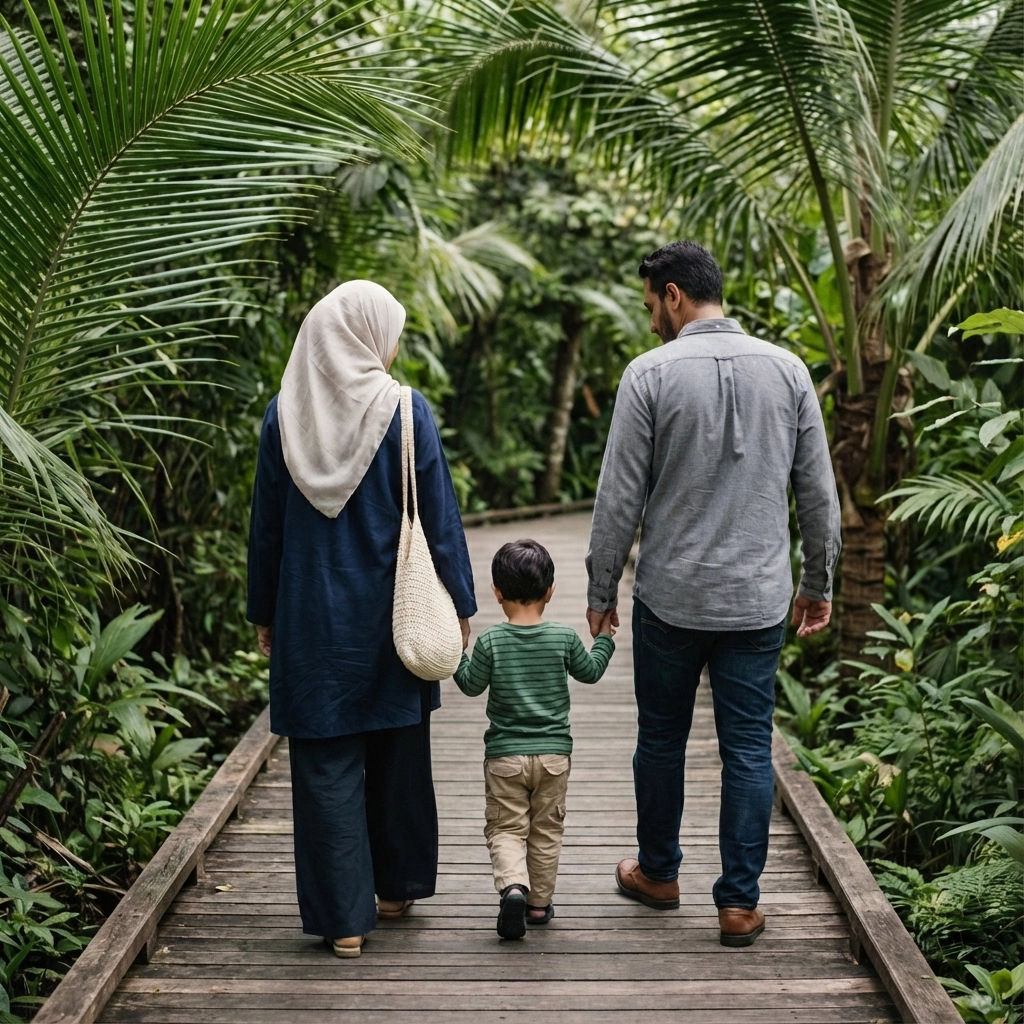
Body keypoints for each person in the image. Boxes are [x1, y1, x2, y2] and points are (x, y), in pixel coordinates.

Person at [585, 241, 841, 948]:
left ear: (673, 296)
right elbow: (819, 496)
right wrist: (818, 584)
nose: (649, 323)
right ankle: (738, 904)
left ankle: (660, 875)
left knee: (661, 741)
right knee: (750, 750)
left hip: (668, 598)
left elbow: (617, 500)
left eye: (649, 307)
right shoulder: (789, 371)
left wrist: (601, 589)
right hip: (758, 601)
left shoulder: (648, 375)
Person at [246, 280, 476, 958]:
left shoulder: (282, 416)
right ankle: (397, 888)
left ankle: (345, 922)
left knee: (325, 763)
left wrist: (265, 611)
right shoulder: (408, 412)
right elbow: (441, 519)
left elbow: (268, 531)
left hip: (311, 618)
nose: (396, 342)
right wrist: (461, 604)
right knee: (398, 748)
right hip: (392, 612)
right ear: (367, 334)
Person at [454, 540, 615, 940]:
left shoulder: (491, 641)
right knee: (546, 831)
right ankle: (538, 905)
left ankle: (512, 887)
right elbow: (591, 672)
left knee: (507, 828)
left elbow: (471, 686)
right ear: (550, 591)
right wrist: (606, 639)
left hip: (505, 758)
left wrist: (456, 652)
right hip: (554, 757)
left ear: (497, 592)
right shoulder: (563, 637)